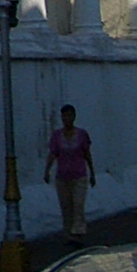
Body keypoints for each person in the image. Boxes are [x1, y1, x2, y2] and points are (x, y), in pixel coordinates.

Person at [43, 104, 96, 243]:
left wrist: (92, 173)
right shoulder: (57, 136)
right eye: (64, 116)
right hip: (63, 177)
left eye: (69, 115)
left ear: (74, 116)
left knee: (78, 204)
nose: (67, 118)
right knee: (66, 206)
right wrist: (47, 171)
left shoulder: (82, 135)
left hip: (79, 176)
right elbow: (53, 154)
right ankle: (69, 233)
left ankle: (78, 231)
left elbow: (86, 154)